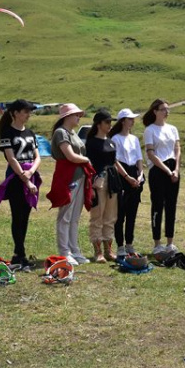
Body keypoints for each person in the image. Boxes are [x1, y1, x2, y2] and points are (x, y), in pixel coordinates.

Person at [0, 99, 40, 270]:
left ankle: (19, 253)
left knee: (26, 215)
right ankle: (19, 254)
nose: (28, 115)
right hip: (16, 179)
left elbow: (37, 156)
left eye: (29, 112)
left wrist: (31, 173)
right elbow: (11, 158)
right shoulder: (7, 132)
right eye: (25, 111)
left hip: (30, 175)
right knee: (18, 215)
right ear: (15, 113)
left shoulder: (30, 132)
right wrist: (25, 178)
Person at [48, 103, 93, 266]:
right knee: (65, 215)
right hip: (68, 177)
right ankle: (64, 251)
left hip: (79, 176)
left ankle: (75, 250)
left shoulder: (72, 132)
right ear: (67, 117)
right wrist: (87, 160)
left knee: (75, 217)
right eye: (76, 115)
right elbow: (71, 156)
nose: (78, 118)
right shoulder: (61, 133)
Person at [143, 98, 181, 254]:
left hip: (173, 169)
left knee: (171, 205)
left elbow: (177, 149)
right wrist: (166, 170)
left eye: (168, 109)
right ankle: (157, 243)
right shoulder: (150, 130)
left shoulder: (173, 129)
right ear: (155, 111)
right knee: (158, 205)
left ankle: (170, 242)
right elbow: (151, 154)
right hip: (158, 170)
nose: (166, 112)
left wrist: (176, 169)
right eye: (163, 109)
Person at [109, 108, 144, 258]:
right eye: (130, 119)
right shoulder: (115, 138)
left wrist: (140, 174)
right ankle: (120, 246)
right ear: (123, 121)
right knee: (120, 214)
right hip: (122, 176)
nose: (132, 121)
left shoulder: (134, 139)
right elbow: (115, 160)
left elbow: (139, 158)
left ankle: (129, 244)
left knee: (132, 213)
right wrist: (127, 177)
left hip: (135, 175)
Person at [86, 109, 120, 263]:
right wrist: (92, 183)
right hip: (98, 181)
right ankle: (97, 251)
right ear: (98, 124)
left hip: (112, 179)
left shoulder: (111, 141)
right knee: (97, 215)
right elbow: (89, 164)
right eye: (107, 122)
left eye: (110, 122)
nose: (110, 125)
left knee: (111, 216)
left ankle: (109, 250)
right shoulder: (91, 142)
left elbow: (114, 161)